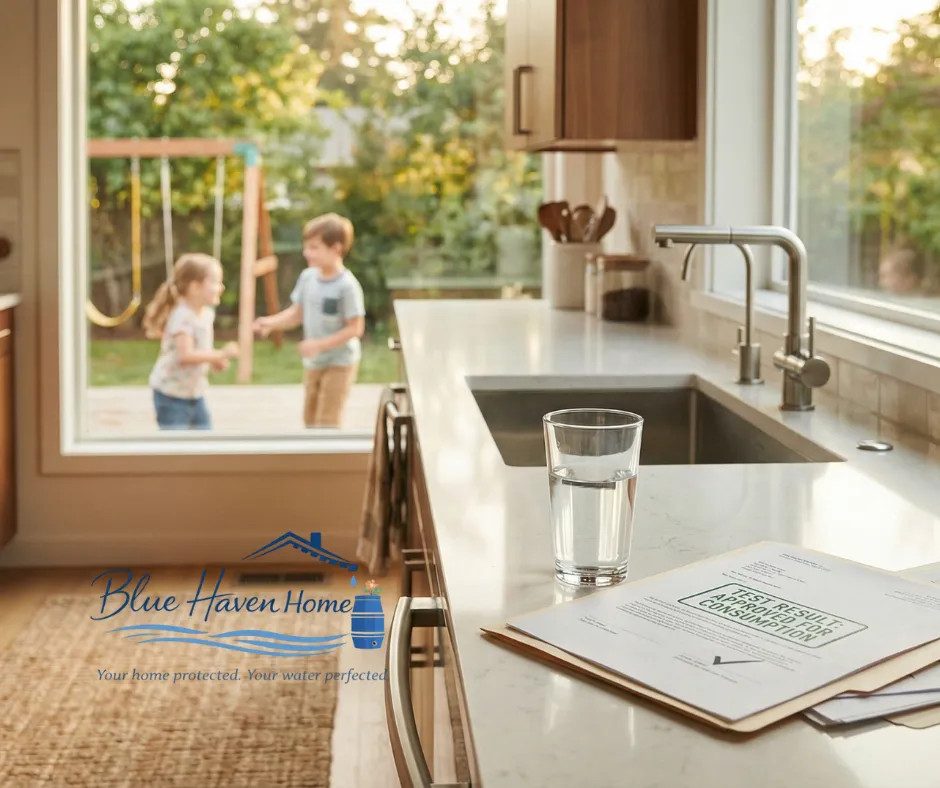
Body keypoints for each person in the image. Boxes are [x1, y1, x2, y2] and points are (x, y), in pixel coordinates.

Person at [253, 213, 366, 428]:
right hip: (315, 363)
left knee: (327, 421)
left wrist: (319, 345)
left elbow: (355, 328)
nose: (307, 253)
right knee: (310, 418)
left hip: (339, 362)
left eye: (314, 247)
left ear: (336, 249)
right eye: (306, 247)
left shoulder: (347, 286)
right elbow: (297, 313)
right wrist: (271, 323)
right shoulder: (308, 277)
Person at [142, 253, 239, 430]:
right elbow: (185, 355)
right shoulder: (182, 316)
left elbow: (199, 348)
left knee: (204, 444)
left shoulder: (205, 314)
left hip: (194, 394)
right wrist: (221, 354)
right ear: (194, 287)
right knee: (176, 450)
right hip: (171, 395)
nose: (221, 287)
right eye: (215, 282)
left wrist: (214, 359)